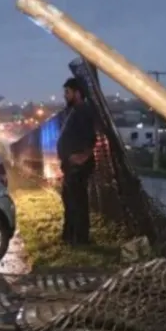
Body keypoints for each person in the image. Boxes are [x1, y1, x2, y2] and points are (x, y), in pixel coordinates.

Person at [56, 77, 97, 245]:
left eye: (68, 92)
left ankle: (80, 238)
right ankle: (70, 236)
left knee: (77, 202)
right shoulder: (74, 111)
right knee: (70, 200)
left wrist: (82, 157)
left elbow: (91, 138)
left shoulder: (83, 111)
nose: (65, 96)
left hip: (78, 167)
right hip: (71, 166)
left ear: (77, 93)